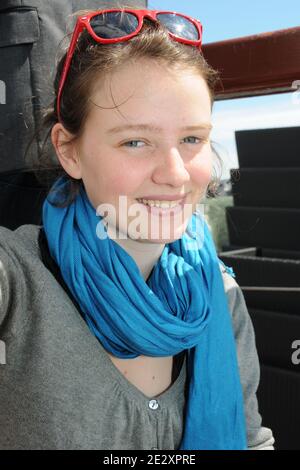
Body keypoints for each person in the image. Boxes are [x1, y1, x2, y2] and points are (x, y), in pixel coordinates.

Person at [0, 5, 275, 450]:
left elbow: (249, 439)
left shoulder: (219, 297)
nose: (175, 174)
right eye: (135, 141)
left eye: (191, 139)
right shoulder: (17, 284)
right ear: (69, 151)